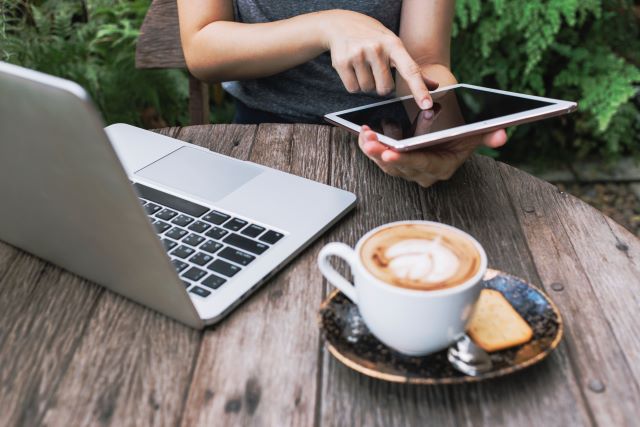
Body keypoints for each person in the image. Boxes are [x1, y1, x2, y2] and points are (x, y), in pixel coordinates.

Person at [177, 0, 507, 188]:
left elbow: (425, 61)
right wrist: (326, 26)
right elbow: (202, 47)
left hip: (384, 138)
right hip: (261, 134)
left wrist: (436, 125)